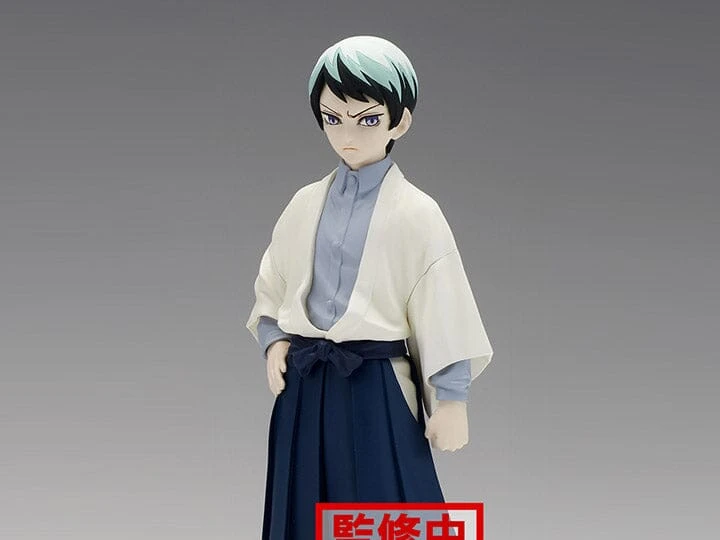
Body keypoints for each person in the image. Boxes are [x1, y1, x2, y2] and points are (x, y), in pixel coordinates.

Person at [246, 35, 494, 540]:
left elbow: (444, 304)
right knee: (301, 506)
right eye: (332, 118)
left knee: (387, 507)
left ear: (399, 122)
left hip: (376, 381)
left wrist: (452, 399)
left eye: (367, 119)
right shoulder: (304, 203)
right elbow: (274, 280)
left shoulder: (417, 212)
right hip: (305, 379)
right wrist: (274, 339)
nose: (347, 135)